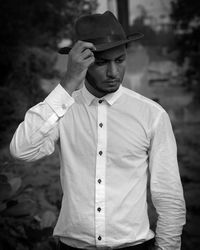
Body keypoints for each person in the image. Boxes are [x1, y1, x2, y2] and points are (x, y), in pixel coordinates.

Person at [10, 11, 186, 250]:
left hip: (134, 245)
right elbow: (22, 150)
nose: (114, 72)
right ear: (82, 62)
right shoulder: (62, 109)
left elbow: (169, 195)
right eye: (101, 63)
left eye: (120, 60)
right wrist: (69, 82)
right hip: (74, 247)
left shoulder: (152, 115)